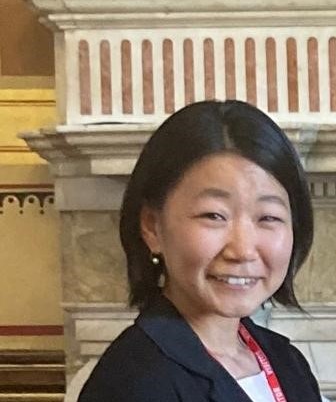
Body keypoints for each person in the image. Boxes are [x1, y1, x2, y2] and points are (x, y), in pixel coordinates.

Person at [78, 100, 322, 402]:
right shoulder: (133, 382)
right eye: (214, 216)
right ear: (153, 227)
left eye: (268, 217)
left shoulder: (286, 361)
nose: (243, 249)